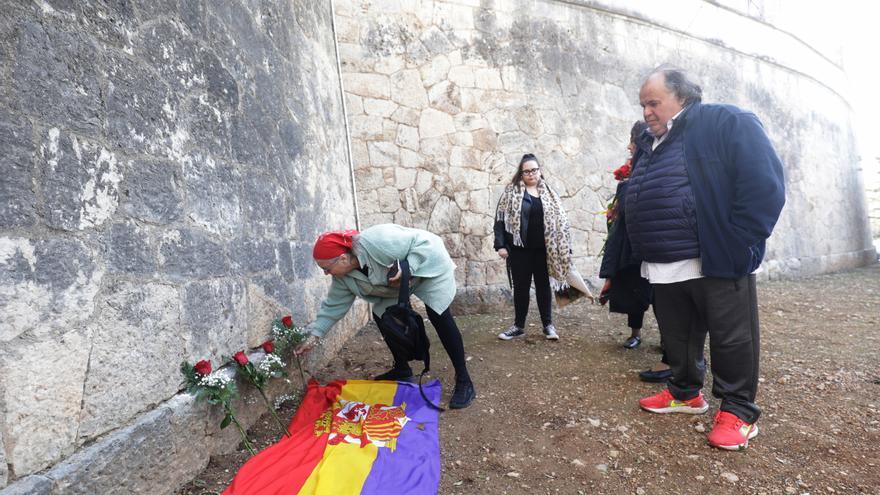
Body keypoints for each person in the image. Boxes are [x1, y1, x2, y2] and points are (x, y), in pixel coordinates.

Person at [626, 66, 785, 450]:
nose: (646, 112)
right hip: (665, 263)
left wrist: (738, 243)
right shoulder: (652, 142)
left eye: (653, 103)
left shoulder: (725, 121)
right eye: (643, 104)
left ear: (681, 97)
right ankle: (684, 392)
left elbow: (765, 186)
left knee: (732, 339)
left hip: (716, 257)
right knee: (677, 336)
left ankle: (738, 412)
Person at [295, 224, 476, 409]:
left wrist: (409, 267)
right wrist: (315, 335)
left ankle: (463, 379)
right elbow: (334, 306)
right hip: (395, 287)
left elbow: (428, 243)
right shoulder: (342, 278)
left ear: (342, 258)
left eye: (326, 268)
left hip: (427, 270)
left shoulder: (377, 240)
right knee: (382, 315)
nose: (326, 274)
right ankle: (402, 369)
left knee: (438, 315)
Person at [493, 154, 573, 341]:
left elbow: (563, 224)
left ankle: (548, 325)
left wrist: (566, 248)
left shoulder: (550, 193)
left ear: (540, 171)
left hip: (546, 251)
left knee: (543, 287)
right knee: (521, 288)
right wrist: (500, 245)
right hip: (520, 250)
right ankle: (519, 326)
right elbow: (500, 220)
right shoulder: (510, 193)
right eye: (527, 171)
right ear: (521, 173)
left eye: (534, 170)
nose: (531, 174)